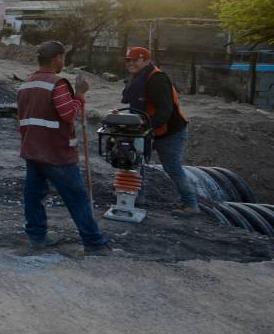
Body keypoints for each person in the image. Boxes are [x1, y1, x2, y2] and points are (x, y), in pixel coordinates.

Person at [17, 40, 110, 255]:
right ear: (57, 57)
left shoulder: (27, 84)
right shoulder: (57, 84)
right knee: (77, 198)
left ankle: (37, 237)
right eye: (63, 58)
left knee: (33, 197)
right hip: (56, 153)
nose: (63, 62)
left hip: (32, 150)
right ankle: (94, 243)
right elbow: (68, 114)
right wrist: (80, 95)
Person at [120, 47, 200, 215]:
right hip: (148, 128)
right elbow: (129, 101)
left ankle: (191, 205)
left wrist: (147, 128)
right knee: (136, 162)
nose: (131, 63)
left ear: (147, 60)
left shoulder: (157, 79)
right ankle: (138, 197)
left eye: (135, 60)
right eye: (128, 60)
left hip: (170, 131)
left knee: (172, 167)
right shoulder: (136, 78)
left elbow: (165, 110)